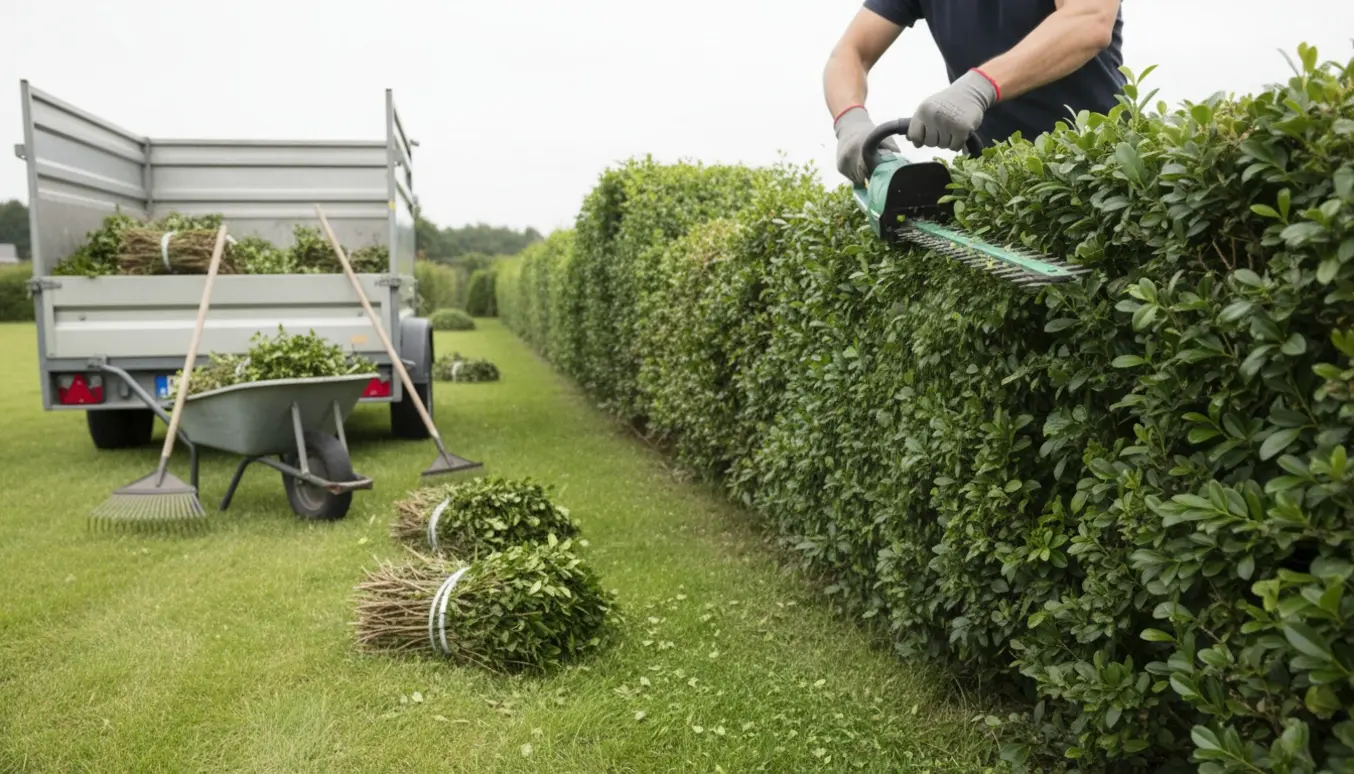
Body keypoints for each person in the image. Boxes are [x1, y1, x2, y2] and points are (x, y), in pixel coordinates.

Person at [824, 0, 1126, 185]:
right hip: (996, 185)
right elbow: (850, 53)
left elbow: (1089, 19)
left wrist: (980, 87)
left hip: (1100, 171)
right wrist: (850, 121)